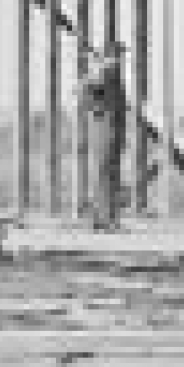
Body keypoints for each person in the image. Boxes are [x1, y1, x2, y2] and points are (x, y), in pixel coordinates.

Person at [78, 42, 126, 230]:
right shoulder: (105, 73)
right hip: (106, 130)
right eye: (117, 55)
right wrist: (97, 109)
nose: (120, 60)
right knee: (106, 173)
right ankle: (104, 219)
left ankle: (105, 218)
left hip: (111, 130)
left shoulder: (109, 74)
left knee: (108, 173)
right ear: (110, 56)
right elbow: (85, 91)